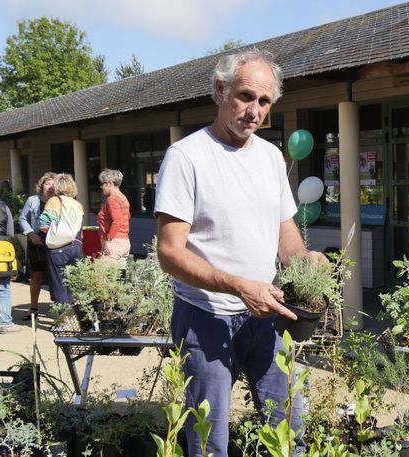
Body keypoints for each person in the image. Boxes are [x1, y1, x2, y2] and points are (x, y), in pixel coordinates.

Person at [155, 48, 327, 457]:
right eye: (246, 96)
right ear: (220, 89)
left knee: (288, 429)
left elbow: (286, 234)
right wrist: (235, 286)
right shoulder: (187, 157)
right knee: (208, 440)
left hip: (266, 315)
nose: (255, 110)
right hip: (205, 316)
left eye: (265, 101)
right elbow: (168, 252)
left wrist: (304, 260)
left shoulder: (270, 157)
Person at [38, 173, 84, 305]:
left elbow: (42, 225)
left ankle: (64, 320)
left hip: (58, 249)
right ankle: (75, 317)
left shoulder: (54, 201)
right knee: (73, 284)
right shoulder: (77, 204)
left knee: (59, 286)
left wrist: (54, 232)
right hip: (76, 247)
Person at [18, 172, 56, 319]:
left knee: (55, 276)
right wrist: (30, 234)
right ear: (42, 185)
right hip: (36, 242)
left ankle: (57, 308)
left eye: (53, 184)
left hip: (54, 242)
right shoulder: (32, 200)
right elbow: (22, 218)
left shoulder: (59, 201)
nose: (50, 187)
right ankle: (33, 308)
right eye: (47, 184)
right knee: (36, 276)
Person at [97, 169, 131, 264]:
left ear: (110, 184)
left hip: (114, 243)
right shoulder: (123, 198)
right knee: (115, 277)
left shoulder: (112, 199)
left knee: (98, 275)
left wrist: (108, 240)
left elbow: (117, 221)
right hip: (124, 241)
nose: (101, 187)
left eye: (102, 184)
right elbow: (127, 218)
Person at [0, 196, 18, 334]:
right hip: (2, 251)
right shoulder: (3, 206)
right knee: (2, 289)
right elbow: (10, 232)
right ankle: (5, 323)